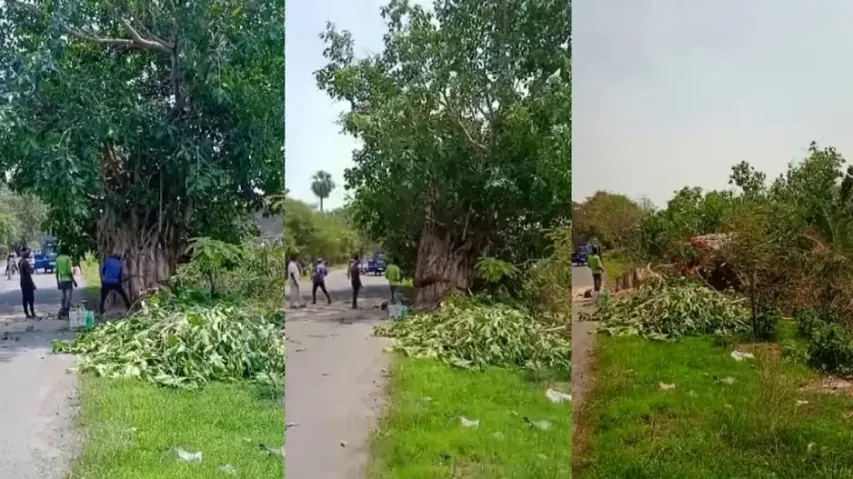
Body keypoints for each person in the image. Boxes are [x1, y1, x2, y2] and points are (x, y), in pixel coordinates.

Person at [55, 246, 77, 319]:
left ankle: (63, 311)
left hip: (62, 280)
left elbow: (57, 271)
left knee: (63, 297)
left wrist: (57, 282)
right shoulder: (68, 258)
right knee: (68, 297)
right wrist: (74, 281)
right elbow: (69, 271)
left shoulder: (58, 259)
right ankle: (67, 312)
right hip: (68, 280)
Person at [18, 249, 36, 318]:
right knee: (31, 298)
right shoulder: (25, 262)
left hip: (22, 281)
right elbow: (29, 273)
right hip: (27, 281)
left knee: (25, 298)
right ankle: (32, 312)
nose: (29, 254)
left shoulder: (20, 262)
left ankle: (26, 313)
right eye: (28, 253)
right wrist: (32, 269)